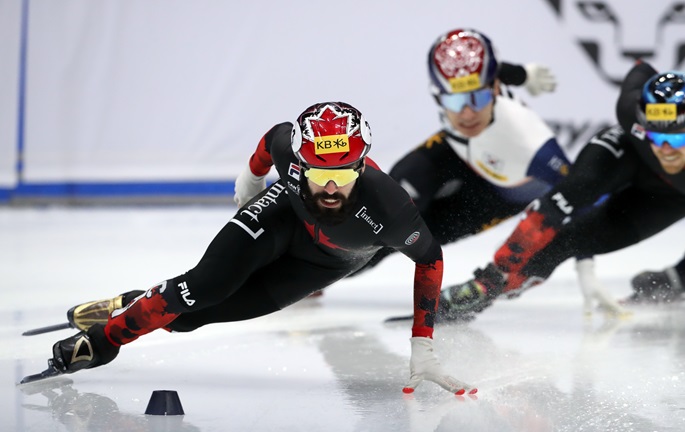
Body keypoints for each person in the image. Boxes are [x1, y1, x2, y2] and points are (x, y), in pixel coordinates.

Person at [42, 102, 476, 395]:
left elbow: (430, 259)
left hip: (325, 263)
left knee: (193, 318)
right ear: (299, 164)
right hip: (282, 214)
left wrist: (422, 344)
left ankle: (134, 303)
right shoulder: (289, 152)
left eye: (343, 175)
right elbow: (273, 138)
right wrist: (251, 180)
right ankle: (103, 341)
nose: (330, 188)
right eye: (317, 173)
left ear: (361, 167)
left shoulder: (388, 207)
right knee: (203, 288)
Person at [346, 28, 622, 316]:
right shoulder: (476, 76)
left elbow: (580, 197)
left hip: (498, 193)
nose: (467, 113)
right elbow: (493, 69)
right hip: (457, 150)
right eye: (455, 101)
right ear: (437, 94)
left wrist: (585, 266)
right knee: (382, 210)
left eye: (478, 98)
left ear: (495, 89)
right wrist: (523, 74)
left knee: (396, 240)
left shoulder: (530, 141)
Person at [437, 61, 685, 320]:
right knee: (567, 196)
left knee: (571, 242)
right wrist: (498, 272)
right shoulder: (629, 109)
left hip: (671, 198)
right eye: (655, 136)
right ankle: (486, 286)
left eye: (676, 138)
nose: (665, 149)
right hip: (629, 155)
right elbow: (641, 68)